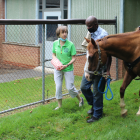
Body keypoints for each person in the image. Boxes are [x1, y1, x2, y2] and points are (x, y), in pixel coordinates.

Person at [80, 16, 112, 123]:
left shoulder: (104, 35)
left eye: (89, 26)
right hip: (90, 66)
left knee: (97, 92)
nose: (88, 28)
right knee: (84, 87)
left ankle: (97, 114)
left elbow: (109, 55)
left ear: (96, 25)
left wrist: (107, 71)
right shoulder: (90, 33)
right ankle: (93, 105)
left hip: (100, 67)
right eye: (87, 26)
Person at [52, 26, 84, 110]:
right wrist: (56, 63)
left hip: (68, 68)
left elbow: (74, 58)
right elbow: (53, 54)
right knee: (58, 87)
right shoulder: (55, 43)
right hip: (58, 69)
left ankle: (80, 100)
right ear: (59, 34)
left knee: (70, 88)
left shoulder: (70, 44)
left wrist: (67, 65)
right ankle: (59, 106)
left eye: (66, 32)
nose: (65, 34)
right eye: (62, 32)